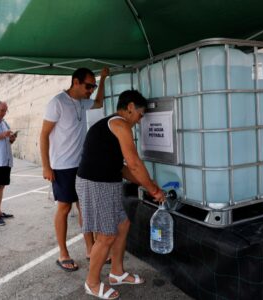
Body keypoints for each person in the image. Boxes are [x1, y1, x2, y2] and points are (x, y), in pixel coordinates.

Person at [76, 90, 165, 299]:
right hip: (96, 184)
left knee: (121, 225)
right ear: (131, 107)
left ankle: (116, 273)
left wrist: (149, 185)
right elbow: (134, 163)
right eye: (140, 115)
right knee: (106, 235)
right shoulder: (119, 124)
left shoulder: (114, 127)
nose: (140, 120)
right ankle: (92, 282)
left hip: (107, 182)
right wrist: (153, 190)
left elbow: (123, 168)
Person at [40, 67, 109, 272]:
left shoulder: (83, 102)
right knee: (64, 208)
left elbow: (99, 102)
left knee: (84, 206)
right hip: (61, 166)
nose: (91, 90)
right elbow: (43, 136)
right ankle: (63, 254)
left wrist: (102, 79)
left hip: (81, 165)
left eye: (92, 86)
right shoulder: (57, 103)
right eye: (89, 86)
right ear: (75, 82)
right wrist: (46, 166)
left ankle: (90, 249)